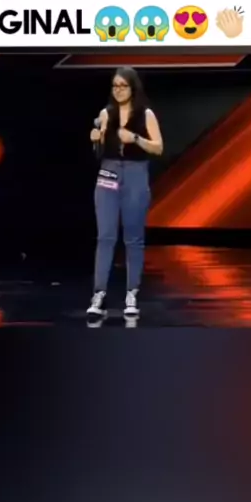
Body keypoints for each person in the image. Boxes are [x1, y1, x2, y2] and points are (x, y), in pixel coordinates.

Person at [87, 67, 163, 320]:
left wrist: (136, 139)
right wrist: (96, 140)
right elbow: (99, 153)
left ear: (133, 87)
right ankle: (98, 295)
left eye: (123, 86)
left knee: (133, 237)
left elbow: (158, 147)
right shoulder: (105, 114)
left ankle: (132, 294)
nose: (118, 90)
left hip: (135, 173)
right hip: (108, 172)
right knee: (105, 236)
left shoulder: (145, 114)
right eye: (115, 86)